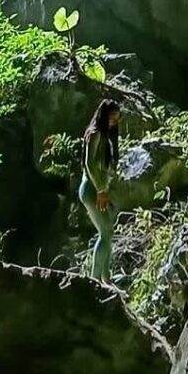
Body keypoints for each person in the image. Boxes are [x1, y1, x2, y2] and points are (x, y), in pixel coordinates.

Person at [80, 99, 121, 282]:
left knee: (107, 232)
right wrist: (101, 190)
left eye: (116, 118)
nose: (114, 121)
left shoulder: (105, 135)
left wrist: (105, 189)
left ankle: (106, 279)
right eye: (112, 117)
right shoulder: (95, 134)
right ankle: (94, 280)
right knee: (105, 232)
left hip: (98, 189)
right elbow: (89, 164)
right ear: (104, 116)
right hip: (91, 189)